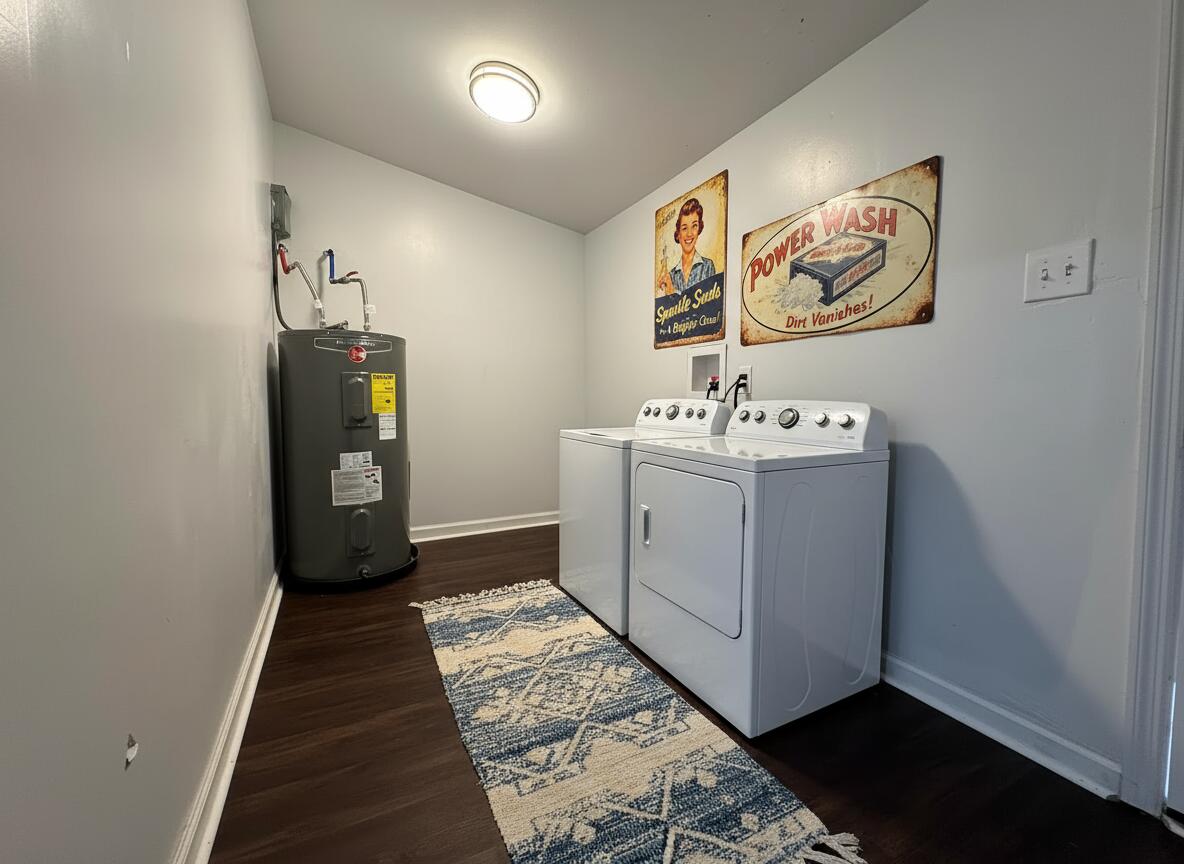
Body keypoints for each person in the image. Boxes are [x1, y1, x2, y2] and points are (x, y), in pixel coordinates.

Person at [658, 197, 716, 295]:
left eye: (694, 226)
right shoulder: (672, 275)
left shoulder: (707, 266)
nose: (689, 233)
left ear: (699, 230)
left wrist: (673, 292)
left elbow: (709, 305)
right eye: (684, 228)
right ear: (678, 234)